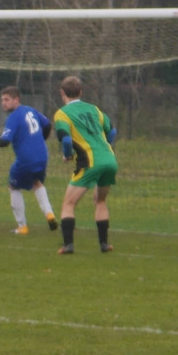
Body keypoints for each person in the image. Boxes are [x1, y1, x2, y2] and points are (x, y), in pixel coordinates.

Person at [52, 75, 118, 255]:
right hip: (110, 159)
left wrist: (68, 155)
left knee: (68, 204)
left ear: (62, 93)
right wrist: (106, 148)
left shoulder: (62, 114)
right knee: (101, 200)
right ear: (81, 92)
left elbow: (66, 139)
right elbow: (112, 130)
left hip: (90, 161)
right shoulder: (94, 109)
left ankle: (68, 246)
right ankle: (104, 245)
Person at [0, 85, 57, 234]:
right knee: (36, 183)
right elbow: (47, 124)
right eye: (2, 100)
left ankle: (22, 226)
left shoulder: (14, 117)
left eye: (7, 99)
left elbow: (5, 142)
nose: (3, 103)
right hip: (42, 156)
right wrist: (41, 139)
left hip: (27, 159)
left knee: (13, 186)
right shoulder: (31, 110)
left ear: (16, 100)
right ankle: (49, 214)